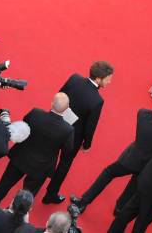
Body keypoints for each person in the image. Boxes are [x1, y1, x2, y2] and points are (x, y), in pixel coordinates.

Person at [70, 94, 152, 214]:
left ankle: (83, 202)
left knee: (108, 173)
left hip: (132, 158)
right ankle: (119, 208)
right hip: (149, 165)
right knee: (133, 185)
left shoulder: (143, 114)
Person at [43, 60, 113, 204]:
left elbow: (60, 94)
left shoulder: (74, 78)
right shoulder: (97, 100)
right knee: (64, 164)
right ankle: (50, 194)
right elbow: (90, 126)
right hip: (73, 136)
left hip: (56, 123)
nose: (110, 82)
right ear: (98, 79)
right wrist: (87, 144)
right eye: (108, 79)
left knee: (47, 152)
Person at [0, 93, 75, 205]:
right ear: (67, 109)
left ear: (52, 103)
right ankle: (15, 217)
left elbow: (24, 126)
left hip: (20, 157)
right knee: (26, 197)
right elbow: (67, 152)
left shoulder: (35, 113)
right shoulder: (68, 130)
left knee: (4, 185)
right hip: (41, 168)